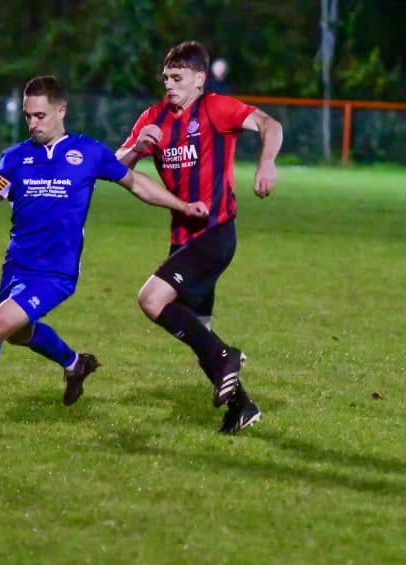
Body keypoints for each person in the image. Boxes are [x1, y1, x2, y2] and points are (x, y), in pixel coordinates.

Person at [0, 75, 209, 425]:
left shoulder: (89, 153)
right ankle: (74, 364)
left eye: (40, 115)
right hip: (17, 267)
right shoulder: (14, 159)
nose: (33, 124)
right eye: (28, 116)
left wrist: (182, 205)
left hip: (56, 274)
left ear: (61, 111)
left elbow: (136, 183)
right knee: (18, 334)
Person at [116, 41, 283, 434]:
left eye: (177, 78)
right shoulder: (153, 118)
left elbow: (269, 125)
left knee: (151, 299)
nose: (169, 85)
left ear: (199, 79)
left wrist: (267, 162)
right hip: (182, 239)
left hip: (215, 234)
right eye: (166, 78)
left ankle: (227, 356)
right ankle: (242, 407)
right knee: (199, 331)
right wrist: (137, 148)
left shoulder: (215, 108)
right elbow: (114, 167)